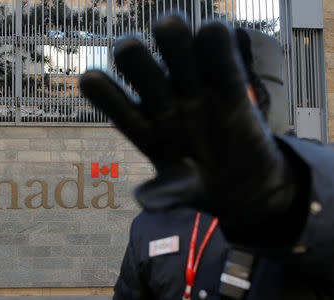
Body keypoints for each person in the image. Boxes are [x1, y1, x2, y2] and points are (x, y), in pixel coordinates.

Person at [79, 15, 334, 300]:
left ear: (265, 97)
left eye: (233, 96)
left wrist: (287, 197)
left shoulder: (312, 185)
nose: (216, 117)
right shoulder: (151, 223)